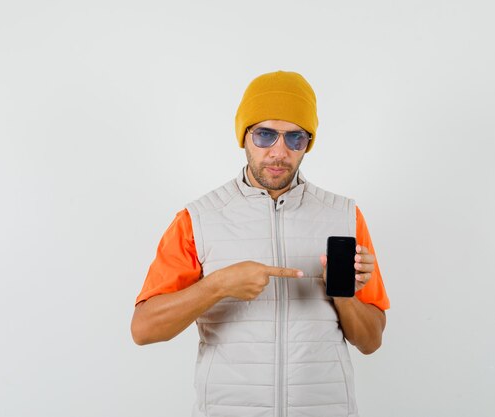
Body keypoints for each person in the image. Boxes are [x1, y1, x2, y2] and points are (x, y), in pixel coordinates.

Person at [131, 71, 390, 417]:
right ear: (244, 136)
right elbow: (144, 328)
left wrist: (341, 295)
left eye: (295, 138)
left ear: (308, 143)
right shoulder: (198, 219)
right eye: (265, 135)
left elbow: (371, 341)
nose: (279, 152)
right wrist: (218, 285)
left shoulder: (344, 216)